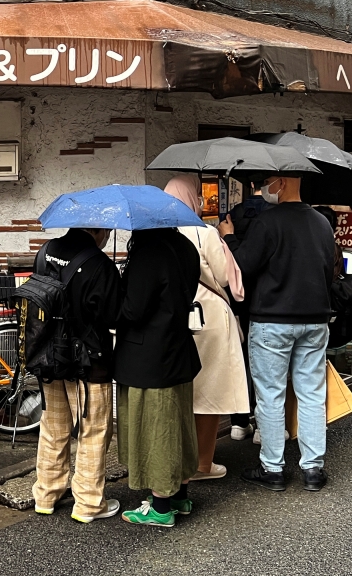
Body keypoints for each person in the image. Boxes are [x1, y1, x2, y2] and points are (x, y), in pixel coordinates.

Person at [218, 174, 336, 492]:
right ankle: (313, 469)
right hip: (315, 319)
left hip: (273, 319)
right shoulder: (322, 223)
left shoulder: (268, 223)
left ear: (282, 183)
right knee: (312, 394)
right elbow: (331, 268)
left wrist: (228, 237)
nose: (263, 189)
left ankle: (273, 468)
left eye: (268, 181)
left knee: (271, 395)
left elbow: (242, 265)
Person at [30, 225, 121, 524]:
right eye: (107, 230)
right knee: (93, 430)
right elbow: (112, 317)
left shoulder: (45, 252)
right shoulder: (100, 264)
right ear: (97, 229)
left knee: (53, 426)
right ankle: (88, 503)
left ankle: (46, 494)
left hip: (49, 357)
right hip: (88, 361)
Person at [163, 175, 249, 481]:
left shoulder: (159, 232)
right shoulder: (204, 232)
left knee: (181, 392)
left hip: (172, 318)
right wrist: (226, 241)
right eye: (198, 196)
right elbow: (226, 278)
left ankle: (176, 460)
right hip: (208, 317)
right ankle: (202, 463)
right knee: (209, 391)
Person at [115, 227, 201, 528]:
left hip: (148, 357)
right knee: (179, 424)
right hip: (179, 349)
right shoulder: (186, 247)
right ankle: (180, 497)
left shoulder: (148, 253)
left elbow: (133, 310)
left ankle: (161, 507)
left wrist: (117, 289)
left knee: (156, 429)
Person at [226, 181, 269, 441]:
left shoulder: (232, 214)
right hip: (266, 302)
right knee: (267, 367)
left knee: (238, 361)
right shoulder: (274, 217)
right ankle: (265, 426)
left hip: (235, 302)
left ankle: (239, 422)